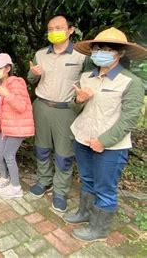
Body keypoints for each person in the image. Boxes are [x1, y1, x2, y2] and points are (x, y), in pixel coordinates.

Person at [63, 27, 146, 242]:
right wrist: (79, 101)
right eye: (98, 48)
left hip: (110, 146)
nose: (101, 52)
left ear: (120, 53)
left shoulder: (131, 82)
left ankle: (99, 229)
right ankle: (84, 214)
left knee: (105, 187)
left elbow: (129, 119)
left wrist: (104, 141)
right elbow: (75, 109)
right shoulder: (85, 77)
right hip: (82, 137)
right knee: (87, 179)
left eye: (108, 49)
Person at [27, 14, 91, 212]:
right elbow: (31, 79)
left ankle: (60, 191)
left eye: (58, 27)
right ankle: (44, 180)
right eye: (50, 28)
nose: (53, 32)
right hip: (42, 106)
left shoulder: (82, 56)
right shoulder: (40, 54)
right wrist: (33, 74)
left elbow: (88, 84)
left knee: (64, 154)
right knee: (41, 148)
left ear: (70, 30)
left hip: (66, 110)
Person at [0, 54, 34, 199]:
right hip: (6, 125)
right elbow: (5, 108)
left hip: (18, 126)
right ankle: (4, 178)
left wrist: (7, 94)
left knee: (8, 155)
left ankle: (16, 188)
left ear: (8, 68)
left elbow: (21, 106)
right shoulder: (3, 85)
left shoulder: (16, 82)